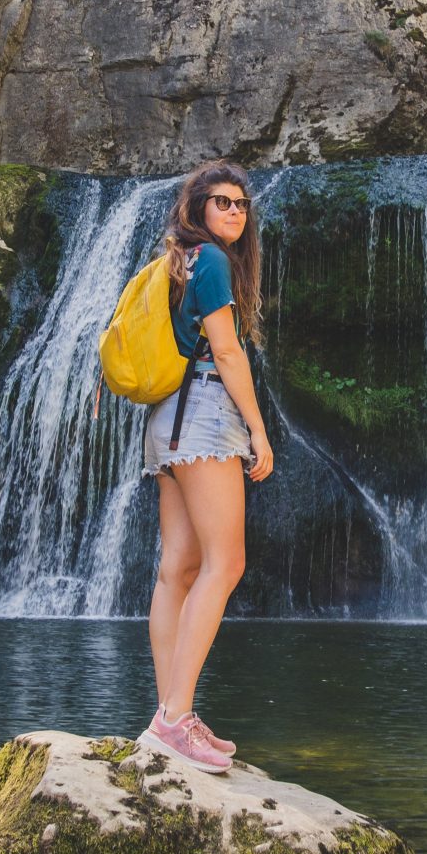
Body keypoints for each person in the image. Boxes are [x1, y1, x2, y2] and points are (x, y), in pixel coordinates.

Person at [138, 161, 274, 772]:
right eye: (221, 202)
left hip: (167, 418)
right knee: (227, 561)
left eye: (242, 204)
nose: (235, 213)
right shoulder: (213, 261)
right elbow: (227, 349)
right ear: (196, 206)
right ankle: (174, 719)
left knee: (179, 569)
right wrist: (257, 430)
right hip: (207, 415)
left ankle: (170, 715)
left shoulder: (179, 261)